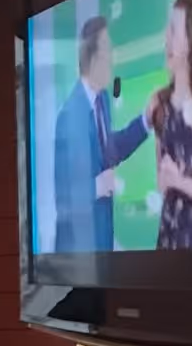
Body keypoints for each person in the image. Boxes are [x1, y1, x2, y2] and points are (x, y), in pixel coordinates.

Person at [51, 15, 149, 252]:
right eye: (108, 52)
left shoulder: (101, 100)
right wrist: (97, 186)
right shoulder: (69, 117)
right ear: (93, 59)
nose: (112, 59)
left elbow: (109, 149)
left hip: (102, 246)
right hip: (78, 253)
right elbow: (64, 199)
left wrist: (146, 121)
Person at [151, 0, 192, 250]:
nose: (166, 38)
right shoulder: (160, 104)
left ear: (190, 42)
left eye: (173, 31)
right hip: (167, 243)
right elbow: (161, 183)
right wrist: (167, 177)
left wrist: (179, 181)